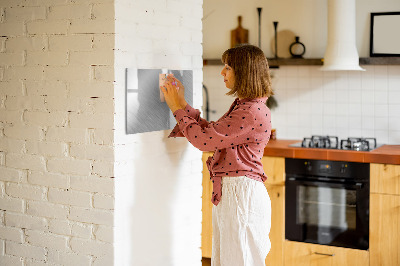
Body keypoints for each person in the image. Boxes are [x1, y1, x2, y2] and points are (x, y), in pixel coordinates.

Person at [161, 44, 273, 266]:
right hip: (236, 193)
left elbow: (204, 141)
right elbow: (212, 133)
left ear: (244, 72)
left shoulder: (250, 111)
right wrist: (182, 103)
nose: (222, 72)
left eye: (228, 67)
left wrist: (176, 108)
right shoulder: (246, 106)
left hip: (241, 195)